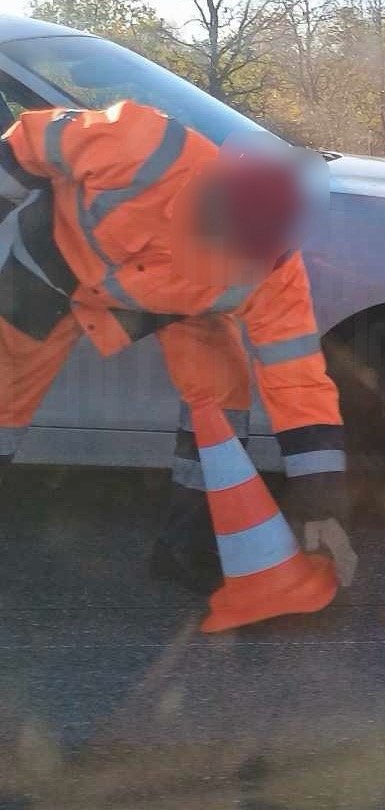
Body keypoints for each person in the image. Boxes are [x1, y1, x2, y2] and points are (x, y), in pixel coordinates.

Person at [0, 99, 355, 616]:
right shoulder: (140, 142)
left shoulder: (276, 271)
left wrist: (322, 501)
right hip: (49, 272)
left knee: (222, 396)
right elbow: (28, 141)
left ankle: (187, 544)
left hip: (165, 308)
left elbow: (298, 381)